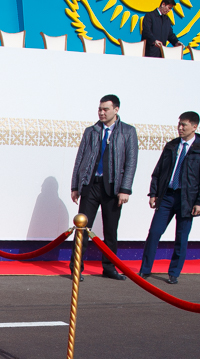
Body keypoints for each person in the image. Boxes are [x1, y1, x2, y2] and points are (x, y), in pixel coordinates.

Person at [70, 94, 138, 281]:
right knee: (82, 228)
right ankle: (76, 268)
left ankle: (109, 267)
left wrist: (125, 189)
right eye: (100, 109)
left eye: (105, 109)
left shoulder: (128, 132)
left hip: (113, 187)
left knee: (110, 230)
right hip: (90, 185)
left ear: (116, 110)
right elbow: (80, 159)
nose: (101, 112)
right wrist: (75, 185)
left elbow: (131, 162)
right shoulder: (91, 131)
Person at [139, 112, 200, 284]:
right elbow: (158, 172)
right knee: (154, 233)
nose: (180, 128)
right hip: (167, 196)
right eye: (179, 124)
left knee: (181, 237)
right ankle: (145, 269)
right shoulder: (172, 146)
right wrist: (153, 193)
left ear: (194, 127)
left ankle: (174, 273)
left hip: (187, 199)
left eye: (184, 125)